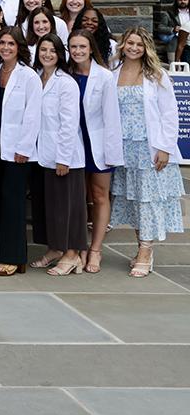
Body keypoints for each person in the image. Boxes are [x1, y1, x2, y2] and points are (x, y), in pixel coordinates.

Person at [109, 28, 186, 277]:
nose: (133, 48)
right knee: (134, 200)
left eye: (139, 45)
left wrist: (164, 147)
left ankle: (146, 251)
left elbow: (169, 113)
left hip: (148, 147)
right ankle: (140, 246)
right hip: (123, 147)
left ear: (146, 49)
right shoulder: (113, 72)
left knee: (149, 201)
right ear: (123, 45)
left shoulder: (157, 74)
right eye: (130, 43)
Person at [31, 35, 88, 276]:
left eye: (52, 50)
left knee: (69, 207)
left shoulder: (66, 83)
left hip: (65, 157)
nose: (47, 54)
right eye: (43, 50)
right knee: (51, 207)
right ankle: (55, 248)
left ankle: (72, 254)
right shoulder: (36, 78)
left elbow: (69, 124)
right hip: (42, 153)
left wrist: (63, 158)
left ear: (59, 54)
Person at [67, 29, 122, 273]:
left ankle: (95, 249)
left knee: (99, 195)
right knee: (77, 197)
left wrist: (112, 152)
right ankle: (77, 247)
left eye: (82, 47)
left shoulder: (104, 77)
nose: (77, 51)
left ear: (91, 49)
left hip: (97, 143)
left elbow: (112, 117)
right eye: (73, 47)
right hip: (72, 143)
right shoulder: (65, 73)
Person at [0, 27, 43, 277]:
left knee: (13, 204)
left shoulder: (28, 76)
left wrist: (24, 147)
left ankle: (14, 257)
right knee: (0, 202)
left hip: (17, 151)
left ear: (19, 47)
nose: (6, 48)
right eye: (2, 43)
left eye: (11, 44)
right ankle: (6, 253)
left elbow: (32, 114)